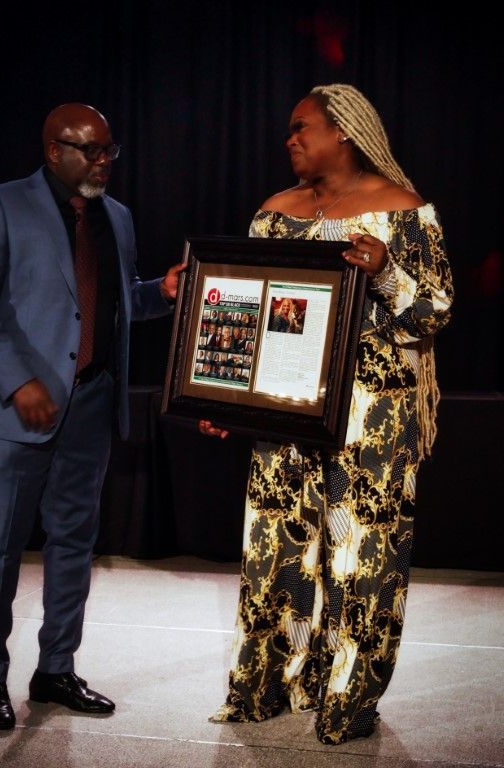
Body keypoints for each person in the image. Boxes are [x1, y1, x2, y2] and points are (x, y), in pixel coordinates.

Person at [200, 83, 453, 745]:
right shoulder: (274, 215)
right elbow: (247, 316)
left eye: (301, 127)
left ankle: (349, 700)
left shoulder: (401, 209)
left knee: (363, 555)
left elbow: (435, 311)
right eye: (288, 130)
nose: (290, 139)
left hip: (373, 415)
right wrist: (225, 396)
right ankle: (269, 685)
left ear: (343, 130)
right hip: (285, 411)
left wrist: (389, 269)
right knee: (277, 550)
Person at [0, 103, 185, 730]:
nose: (104, 161)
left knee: (74, 543)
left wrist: (158, 294)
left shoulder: (118, 218)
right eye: (92, 150)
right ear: (54, 150)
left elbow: (108, 307)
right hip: (13, 408)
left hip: (90, 404)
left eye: (111, 150)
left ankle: (56, 668)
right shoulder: (0, 205)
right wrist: (19, 378)